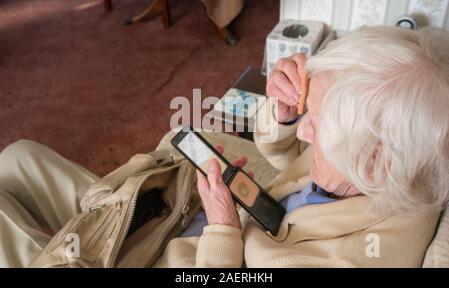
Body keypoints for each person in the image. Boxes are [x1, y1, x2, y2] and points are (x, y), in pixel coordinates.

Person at [1, 26, 448, 267]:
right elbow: (285, 156)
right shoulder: (391, 155)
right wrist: (287, 110)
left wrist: (223, 230)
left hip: (157, 255)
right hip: (175, 215)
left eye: (317, 122)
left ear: (373, 162)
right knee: (18, 156)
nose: (307, 134)